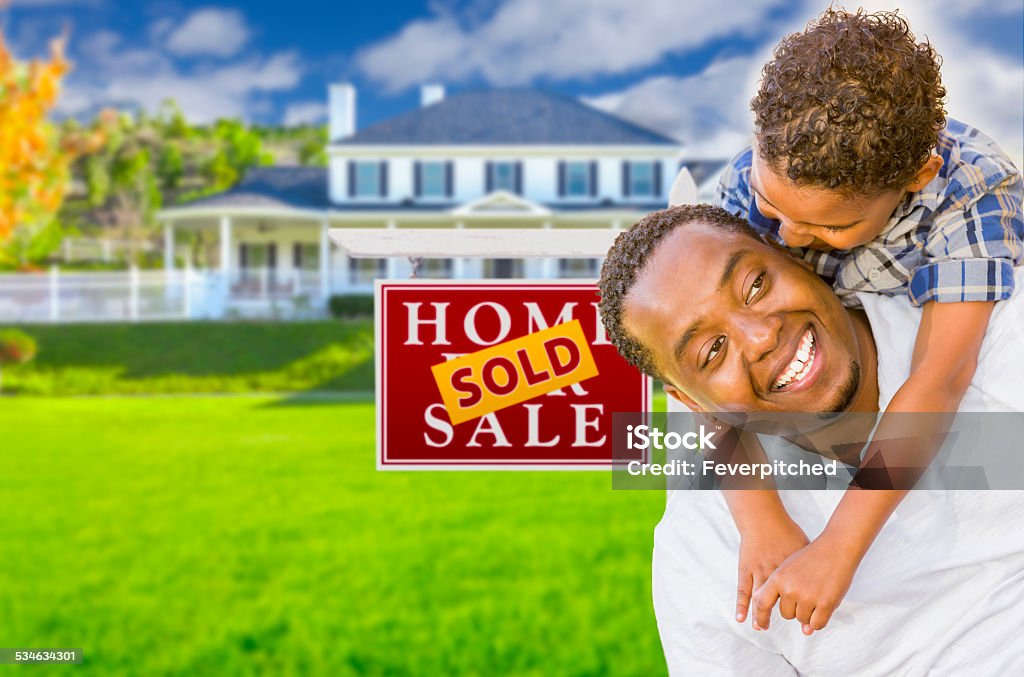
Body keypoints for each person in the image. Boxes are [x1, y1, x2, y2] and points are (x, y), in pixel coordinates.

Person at [597, 203, 1024, 674]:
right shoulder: (701, 552)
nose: (760, 337)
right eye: (712, 351)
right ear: (693, 403)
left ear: (795, 256)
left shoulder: (999, 332)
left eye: (755, 286)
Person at [710, 8, 1023, 634]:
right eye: (773, 206)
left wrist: (838, 547)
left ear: (917, 177)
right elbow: (687, 373)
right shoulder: (747, 185)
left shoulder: (973, 195)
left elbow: (939, 378)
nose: (788, 236)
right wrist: (759, 518)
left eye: (830, 227)